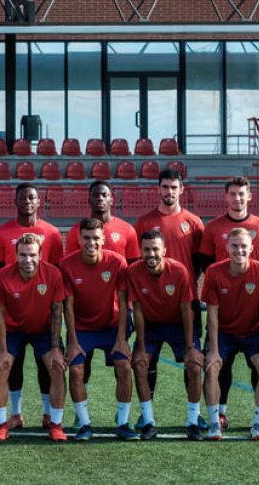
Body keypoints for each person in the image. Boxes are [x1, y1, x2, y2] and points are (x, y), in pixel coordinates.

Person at [195, 175, 259, 430]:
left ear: (249, 196)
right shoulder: (213, 228)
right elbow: (206, 266)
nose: (237, 198)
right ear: (225, 196)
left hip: (253, 307)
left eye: (242, 194)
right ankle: (220, 413)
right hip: (225, 303)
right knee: (221, 365)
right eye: (233, 194)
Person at [0, 183, 63, 430]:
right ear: (15, 201)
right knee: (12, 365)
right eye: (22, 197)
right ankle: (16, 414)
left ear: (39, 201)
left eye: (32, 197)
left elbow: (54, 274)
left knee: (48, 366)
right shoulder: (1, 233)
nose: (27, 201)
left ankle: (48, 415)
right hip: (13, 317)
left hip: (42, 315)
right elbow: (1, 274)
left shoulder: (52, 233)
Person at [132, 169, 204, 421]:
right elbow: (138, 263)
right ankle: (146, 414)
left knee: (192, 358)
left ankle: (195, 415)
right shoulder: (143, 222)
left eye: (174, 187)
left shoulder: (194, 223)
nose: (169, 192)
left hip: (184, 300)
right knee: (146, 362)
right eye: (165, 187)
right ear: (158, 189)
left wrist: (186, 287)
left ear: (181, 190)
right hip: (151, 303)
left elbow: (200, 261)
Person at [61, 218, 136, 441]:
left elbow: (124, 304)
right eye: (86, 237)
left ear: (103, 239)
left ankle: (123, 423)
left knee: (124, 366)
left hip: (111, 325)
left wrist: (122, 339)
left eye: (96, 238)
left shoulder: (118, 262)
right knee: (75, 370)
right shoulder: (67, 265)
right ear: (79, 238)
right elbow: (68, 307)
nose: (91, 242)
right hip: (82, 328)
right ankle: (84, 424)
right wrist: (73, 342)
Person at [201, 228, 259, 441]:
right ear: (227, 247)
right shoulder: (214, 272)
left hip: (252, 333)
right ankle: (215, 423)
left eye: (244, 246)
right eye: (234, 245)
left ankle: (258, 423)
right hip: (223, 333)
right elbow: (212, 315)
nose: (239, 250)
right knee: (211, 368)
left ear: (252, 248)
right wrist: (214, 351)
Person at [126, 230, 202, 441]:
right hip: (152, 327)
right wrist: (140, 347)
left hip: (179, 324)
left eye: (155, 249)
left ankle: (193, 422)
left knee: (195, 365)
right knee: (139, 363)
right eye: (146, 250)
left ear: (164, 251)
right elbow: (138, 310)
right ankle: (148, 422)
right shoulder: (133, 272)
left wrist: (189, 347)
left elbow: (187, 310)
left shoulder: (179, 271)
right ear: (140, 251)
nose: (151, 254)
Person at [64, 181, 140, 262]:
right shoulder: (76, 231)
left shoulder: (128, 230)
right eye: (96, 195)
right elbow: (70, 263)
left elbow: (132, 264)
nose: (100, 198)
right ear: (89, 200)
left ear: (111, 200)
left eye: (104, 195)